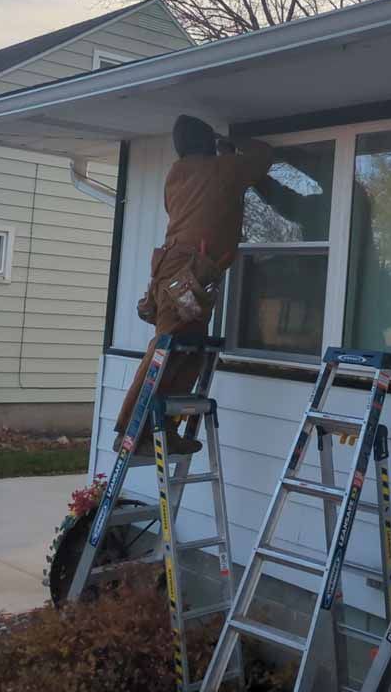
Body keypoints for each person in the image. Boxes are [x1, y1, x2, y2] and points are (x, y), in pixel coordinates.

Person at [113, 115, 273, 455]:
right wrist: (232, 143)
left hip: (178, 270)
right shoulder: (220, 170)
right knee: (167, 349)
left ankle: (164, 429)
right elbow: (263, 156)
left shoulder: (178, 173)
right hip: (186, 273)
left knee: (189, 350)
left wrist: (222, 150)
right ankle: (129, 430)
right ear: (207, 143)